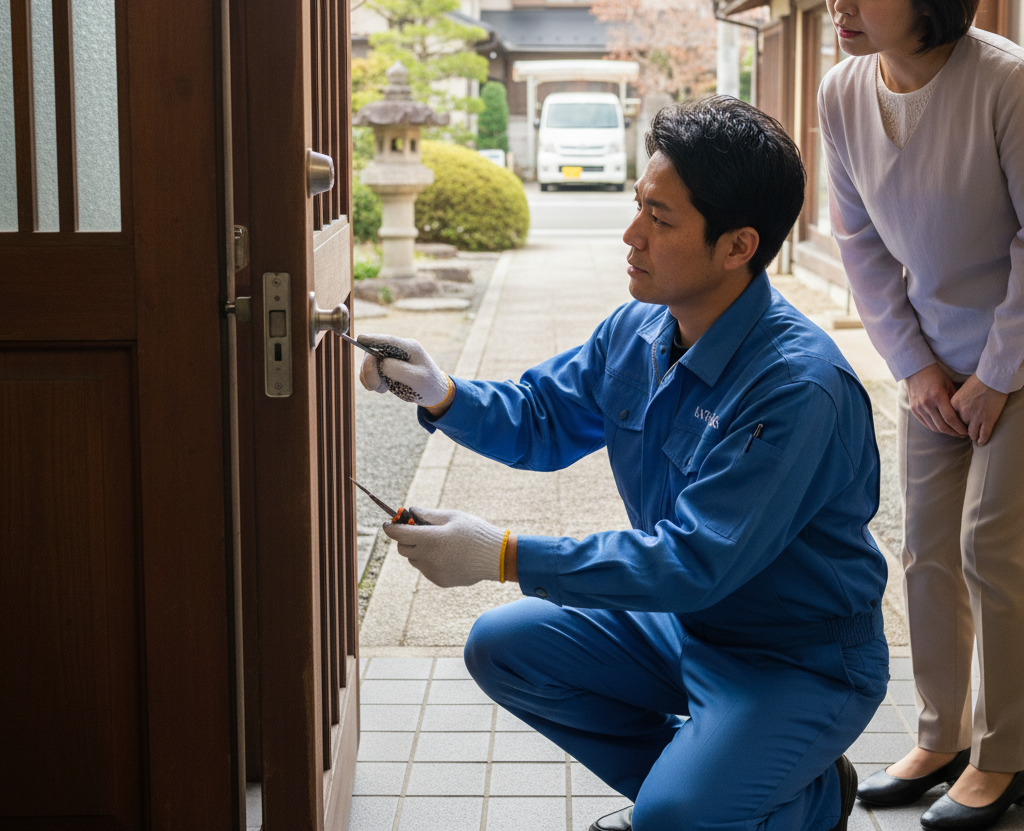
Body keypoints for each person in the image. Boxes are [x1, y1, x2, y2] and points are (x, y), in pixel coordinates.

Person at [359, 97, 889, 831]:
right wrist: (443, 393)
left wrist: (503, 554)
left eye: (661, 220)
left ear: (738, 246)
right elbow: (543, 419)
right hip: (686, 625)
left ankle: (799, 800)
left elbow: (693, 560)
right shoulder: (640, 326)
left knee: (672, 820)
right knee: (502, 647)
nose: (631, 234)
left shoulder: (797, 388)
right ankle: (732, 785)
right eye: (640, 205)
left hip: (796, 657)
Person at [818, 0, 1024, 831]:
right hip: (935, 366)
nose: (840, 2)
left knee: (994, 547)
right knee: (925, 553)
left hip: (1017, 357)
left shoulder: (1006, 84)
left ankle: (1006, 754)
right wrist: (916, 369)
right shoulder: (844, 92)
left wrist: (995, 375)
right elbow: (856, 242)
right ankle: (941, 734)